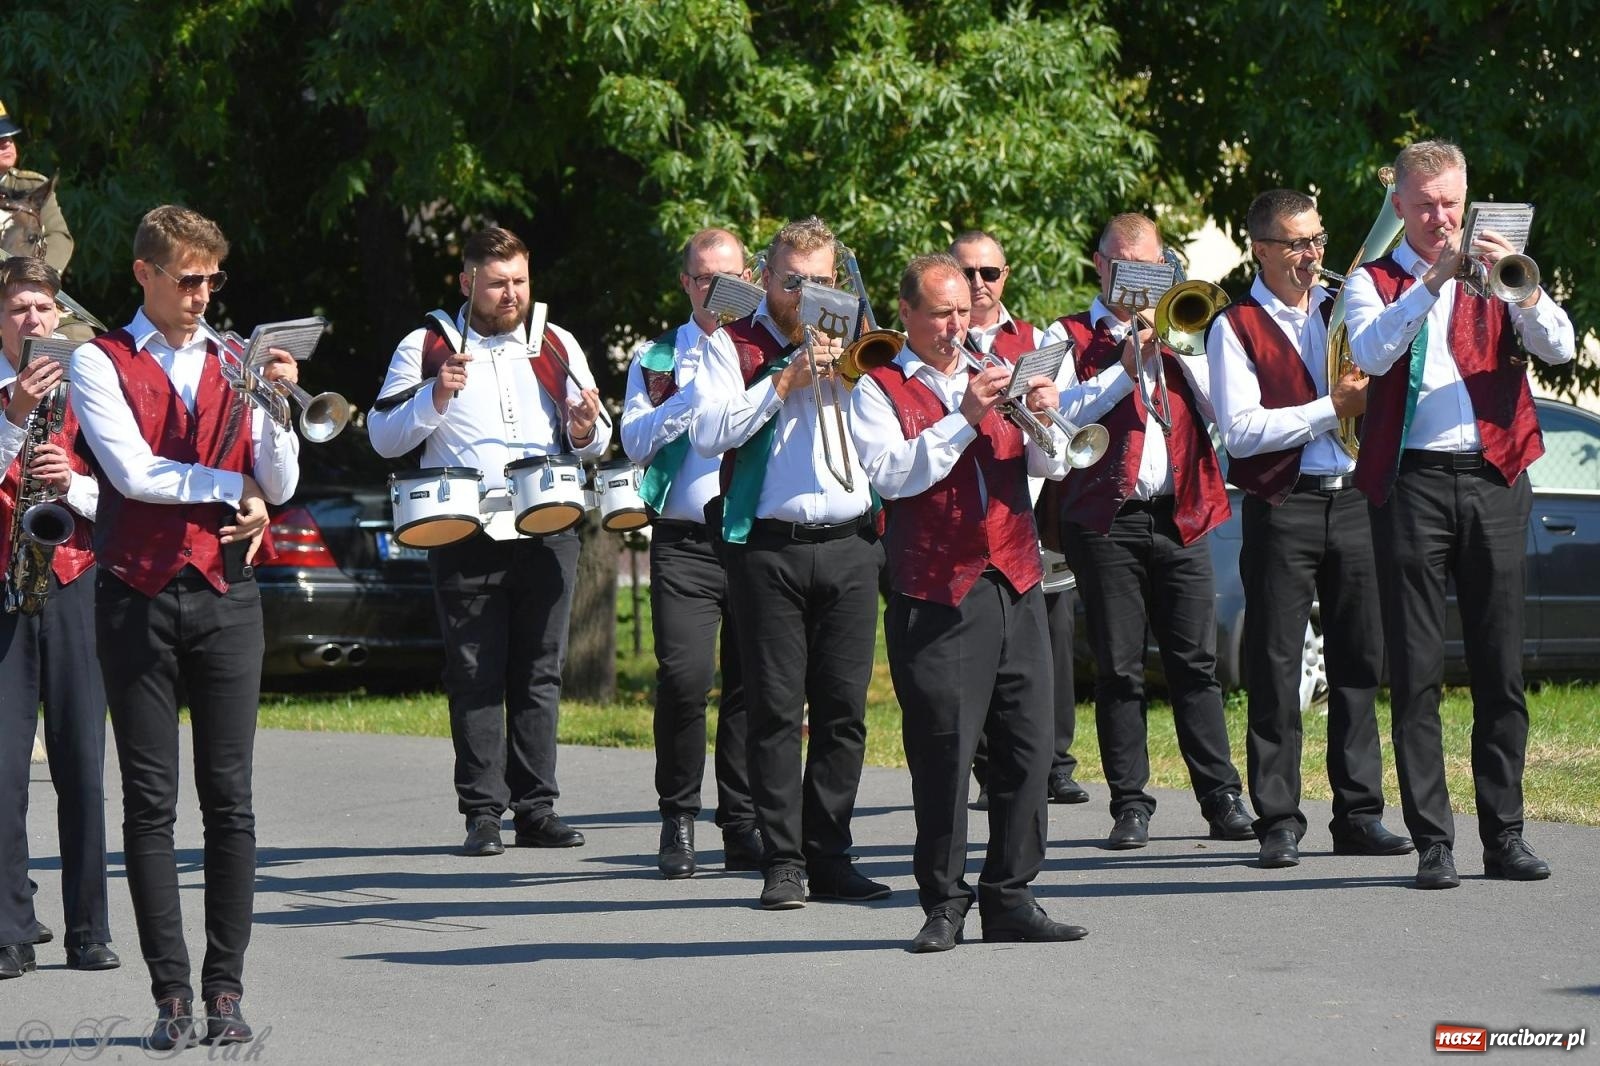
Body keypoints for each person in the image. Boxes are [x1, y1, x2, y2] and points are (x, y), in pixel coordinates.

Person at [69, 205, 301, 1049]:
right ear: (145, 274)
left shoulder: (236, 358)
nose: (202, 295)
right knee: (150, 804)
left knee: (231, 800)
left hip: (227, 594)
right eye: (187, 279)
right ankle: (171, 996)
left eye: (212, 279)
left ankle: (226, 989)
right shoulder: (99, 360)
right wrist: (225, 484)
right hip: (135, 592)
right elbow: (131, 473)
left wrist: (273, 409)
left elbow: (274, 480)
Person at [1345, 140, 1575, 890]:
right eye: (1424, 204)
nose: (1440, 217)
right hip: (1411, 483)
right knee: (1414, 671)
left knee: (1500, 666)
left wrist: (1526, 295)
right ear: (1400, 207)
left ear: (1467, 200)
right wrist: (1427, 285)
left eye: (1451, 203)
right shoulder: (1370, 281)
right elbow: (1374, 356)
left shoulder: (1502, 274)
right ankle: (1433, 842)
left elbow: (1562, 349)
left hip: (1496, 477)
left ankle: (1504, 836)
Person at [850, 252, 1087, 951]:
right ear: (909, 317)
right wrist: (963, 415)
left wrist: (1047, 416)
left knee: (1027, 746)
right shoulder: (880, 387)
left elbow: (1051, 465)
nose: (959, 324)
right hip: (938, 590)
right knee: (947, 751)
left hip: (1014, 576)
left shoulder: (999, 368)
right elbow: (893, 476)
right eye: (942, 313)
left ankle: (1011, 895)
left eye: (964, 310)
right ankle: (944, 903)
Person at [370, 226, 609, 860]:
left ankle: (537, 808)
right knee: (475, 671)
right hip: (464, 528)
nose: (512, 294)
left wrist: (585, 430)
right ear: (466, 281)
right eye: (499, 282)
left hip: (549, 524)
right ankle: (482, 812)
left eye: (520, 281)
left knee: (540, 671)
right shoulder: (426, 345)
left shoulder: (555, 342)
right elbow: (382, 435)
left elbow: (595, 434)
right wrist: (434, 395)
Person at [1206, 189, 1412, 869]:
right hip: (1282, 504)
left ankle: (1357, 813)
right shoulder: (1232, 326)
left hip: (1353, 499)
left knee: (1360, 658)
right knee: (1274, 663)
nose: (1313, 255)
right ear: (1260, 249)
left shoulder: (1343, 308)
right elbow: (1241, 431)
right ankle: (1278, 820)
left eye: (1318, 239)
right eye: (1296, 244)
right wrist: (1332, 407)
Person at [690, 215, 885, 910]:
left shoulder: (860, 344)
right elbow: (710, 433)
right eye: (795, 281)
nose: (808, 295)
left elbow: (891, 435)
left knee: (842, 711)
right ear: (766, 280)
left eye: (824, 282)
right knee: (775, 710)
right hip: (769, 547)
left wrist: (853, 371)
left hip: (852, 545)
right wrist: (783, 381)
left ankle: (831, 854)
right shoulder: (732, 346)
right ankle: (784, 859)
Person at [1043, 213, 1251, 850]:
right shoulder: (1067, 334)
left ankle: (1221, 798)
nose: (1141, 280)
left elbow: (1228, 411)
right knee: (1120, 670)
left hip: (1182, 512)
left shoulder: (1188, 328)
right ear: (1102, 267)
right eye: (1128, 267)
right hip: (1108, 520)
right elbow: (1056, 417)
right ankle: (1130, 805)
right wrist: (1124, 369)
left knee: (1197, 664)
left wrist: (1178, 349)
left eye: (1154, 269)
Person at [621, 228, 760, 879]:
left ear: (752, 278)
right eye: (704, 278)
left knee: (753, 682)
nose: (716, 290)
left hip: (754, 535)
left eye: (729, 277)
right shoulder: (658, 357)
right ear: (686, 284)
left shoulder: (766, 349)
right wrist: (687, 397)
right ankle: (678, 817)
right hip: (685, 541)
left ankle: (741, 822)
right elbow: (636, 443)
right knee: (683, 677)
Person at [0, 257, 115, 980]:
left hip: (73, 580)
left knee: (83, 766)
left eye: (44, 308)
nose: (35, 322)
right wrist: (11, 425)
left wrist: (70, 482)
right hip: (1, 587)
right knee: (3, 773)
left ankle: (89, 930)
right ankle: (9, 927)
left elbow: (127, 493)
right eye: (18, 310)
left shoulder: (92, 388)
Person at [951, 229, 1088, 808]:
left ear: (1006, 275)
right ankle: (983, 766)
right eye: (968, 274)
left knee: (1047, 642)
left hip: (1028, 513)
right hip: (959, 517)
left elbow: (1065, 426)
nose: (980, 284)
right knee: (973, 649)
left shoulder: (1038, 338)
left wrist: (1048, 408)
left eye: (990, 273)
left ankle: (1054, 762)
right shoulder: (933, 345)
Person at [0, 100, 74, 273]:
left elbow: (58, 238)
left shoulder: (33, 187)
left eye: (9, 137)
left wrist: (33, 277)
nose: (7, 143)